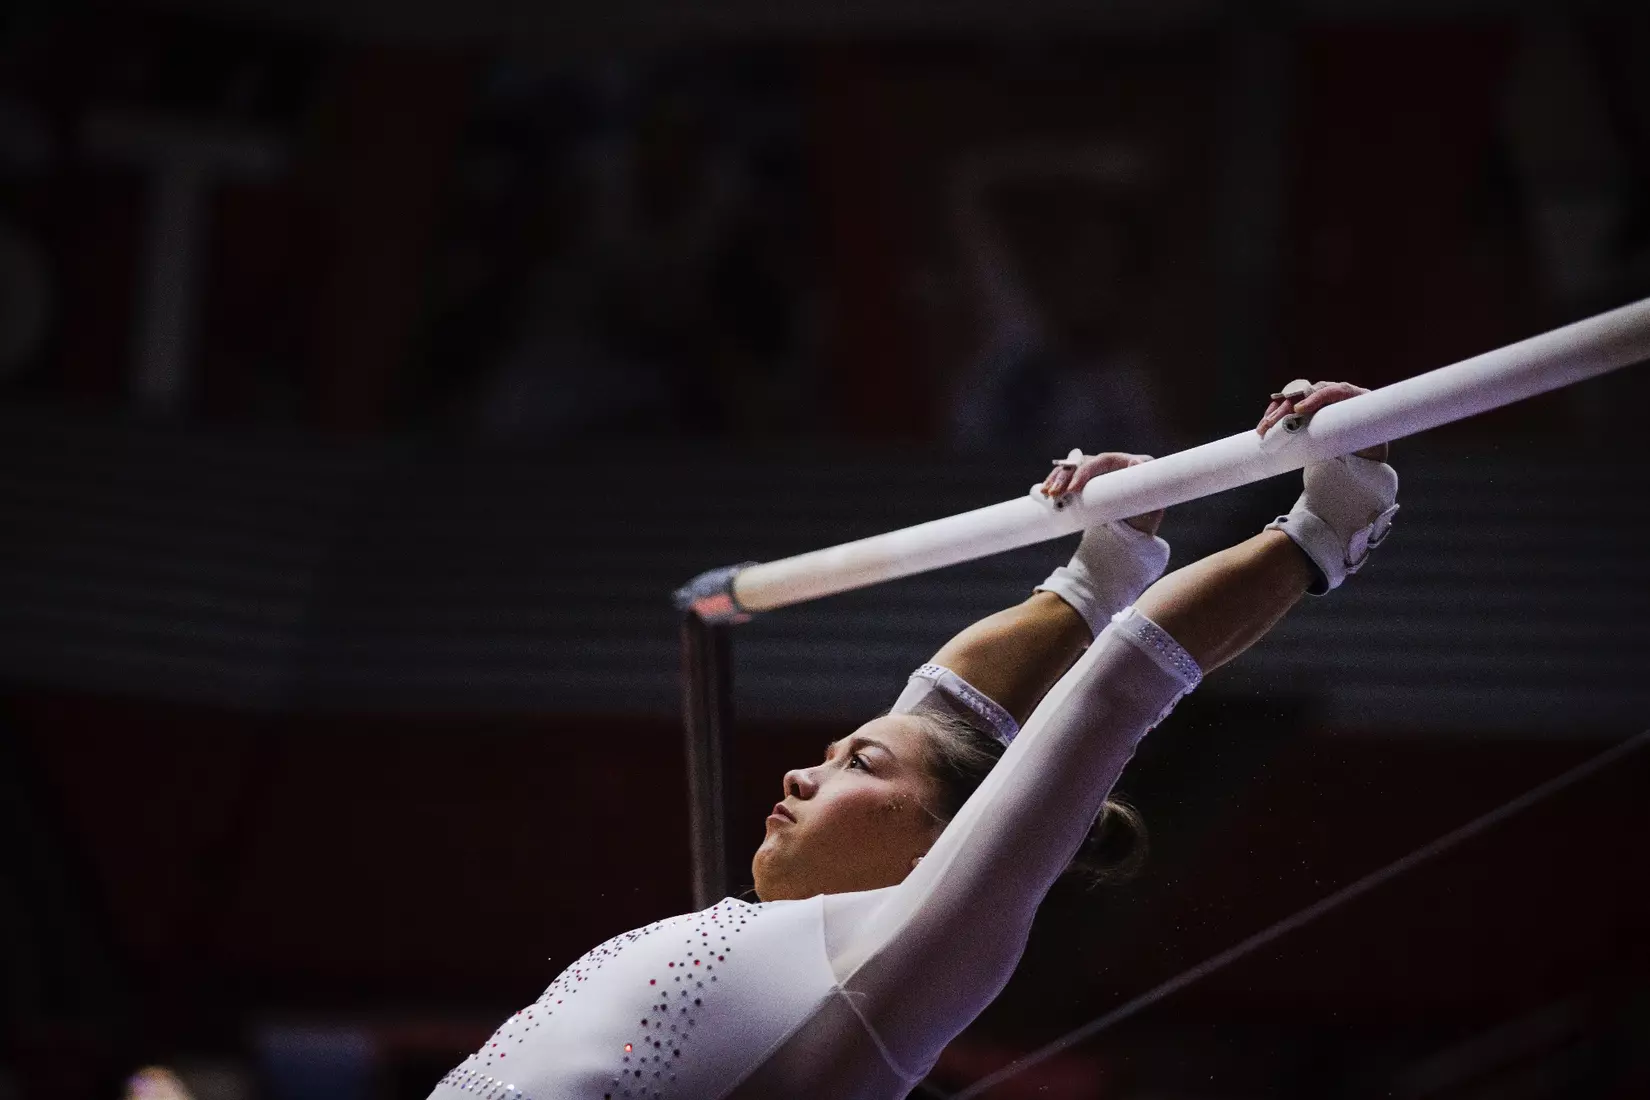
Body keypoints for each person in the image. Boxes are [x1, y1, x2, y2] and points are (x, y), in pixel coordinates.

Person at [427, 380, 1399, 1100]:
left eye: (858, 764)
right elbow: (938, 717)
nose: (804, 770)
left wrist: (1322, 527)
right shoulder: (815, 940)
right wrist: (1099, 569)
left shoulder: (907, 955)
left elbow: (1114, 690)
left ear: (943, 847)